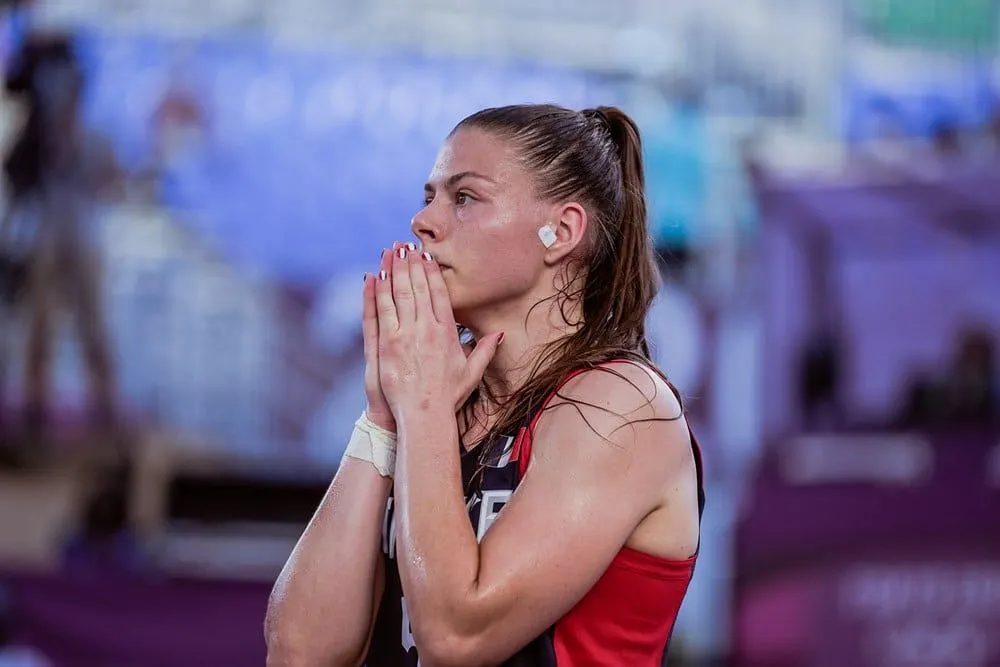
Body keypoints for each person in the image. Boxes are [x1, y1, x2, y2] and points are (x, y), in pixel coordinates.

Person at [266, 104, 705, 666]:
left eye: (464, 197)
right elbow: (298, 653)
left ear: (562, 231)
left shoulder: (622, 405)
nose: (423, 223)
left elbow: (456, 638)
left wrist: (421, 408)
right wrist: (382, 418)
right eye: (428, 197)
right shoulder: (435, 401)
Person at [2, 33, 121, 440]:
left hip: (83, 237)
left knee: (92, 323)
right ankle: (36, 403)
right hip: (46, 237)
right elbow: (14, 174)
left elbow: (113, 184)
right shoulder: (34, 142)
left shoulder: (94, 141)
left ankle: (103, 403)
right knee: (39, 324)